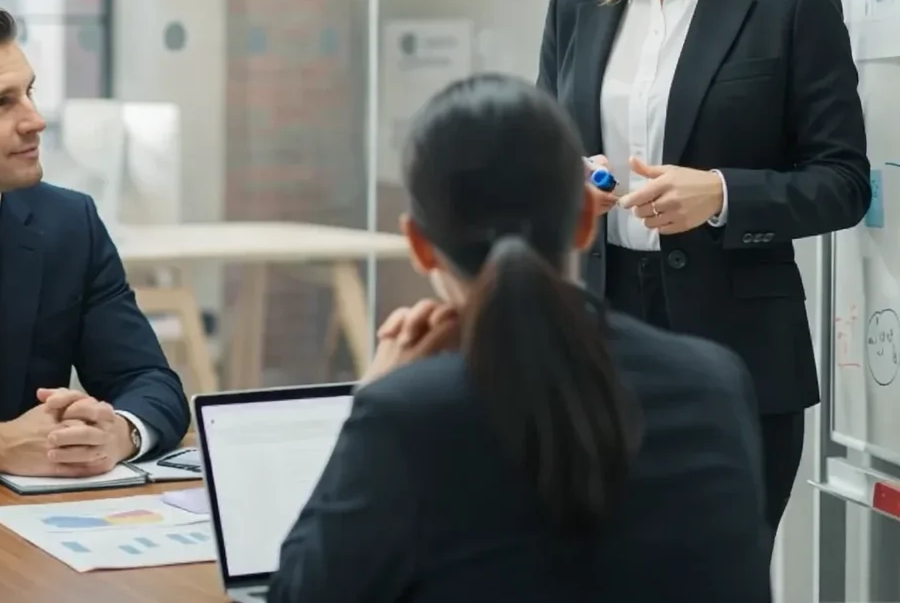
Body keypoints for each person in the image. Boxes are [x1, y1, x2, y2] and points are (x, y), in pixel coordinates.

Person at [268, 73, 771, 603]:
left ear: (419, 245)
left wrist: (371, 395)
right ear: (585, 219)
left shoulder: (406, 418)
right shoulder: (714, 385)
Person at [536, 0, 871, 534]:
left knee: (716, 575)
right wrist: (565, 186)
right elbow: (545, 161)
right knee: (591, 572)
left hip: (737, 352)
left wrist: (719, 195)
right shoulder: (574, 6)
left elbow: (843, 182)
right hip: (595, 341)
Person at [0, 3, 190, 486]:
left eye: (29, 92)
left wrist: (119, 432)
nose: (35, 120)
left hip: (29, 513)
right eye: (1, 103)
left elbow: (148, 380)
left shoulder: (69, 224)